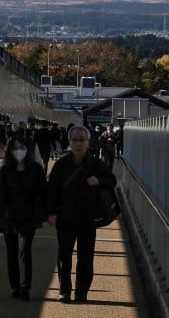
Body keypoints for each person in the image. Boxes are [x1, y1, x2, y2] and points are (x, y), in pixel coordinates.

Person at [46, 125, 117, 304]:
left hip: (88, 217)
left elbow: (112, 180)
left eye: (82, 140)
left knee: (86, 257)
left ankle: (81, 292)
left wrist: (98, 180)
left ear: (87, 142)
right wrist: (50, 212)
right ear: (69, 142)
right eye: (75, 140)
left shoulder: (95, 164)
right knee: (64, 255)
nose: (78, 143)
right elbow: (52, 190)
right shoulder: (61, 165)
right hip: (65, 217)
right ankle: (64, 291)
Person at [0, 136, 47, 300]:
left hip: (29, 216)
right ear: (10, 151)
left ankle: (25, 285)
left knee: (25, 251)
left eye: (21, 147)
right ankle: (15, 285)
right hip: (10, 216)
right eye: (15, 148)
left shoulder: (36, 170)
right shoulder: (5, 171)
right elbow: (0, 196)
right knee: (11, 252)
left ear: (27, 149)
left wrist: (47, 213)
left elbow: (43, 193)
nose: (19, 151)